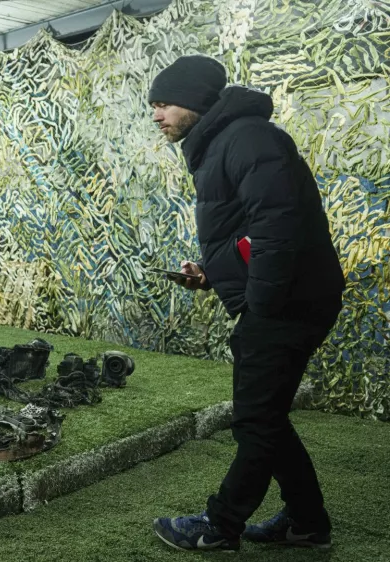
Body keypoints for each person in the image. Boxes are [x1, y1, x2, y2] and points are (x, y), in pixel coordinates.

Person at [145, 55, 346, 552]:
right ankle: (306, 522)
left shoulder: (248, 138)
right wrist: (213, 274)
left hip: (286, 304)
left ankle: (221, 526)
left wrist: (261, 304)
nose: (156, 115)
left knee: (255, 421)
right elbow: (250, 234)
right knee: (267, 416)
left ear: (193, 102)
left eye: (164, 104)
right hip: (284, 298)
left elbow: (279, 226)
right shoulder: (223, 143)